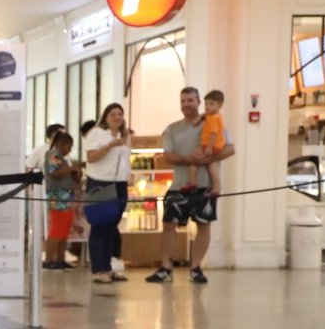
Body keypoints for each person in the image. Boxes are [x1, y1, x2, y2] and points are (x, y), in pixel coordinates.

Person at [146, 86, 236, 285]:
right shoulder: (172, 128)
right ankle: (166, 268)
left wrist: (207, 158)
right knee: (169, 224)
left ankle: (196, 267)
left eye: (190, 100)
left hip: (206, 186)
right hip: (179, 185)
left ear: (198, 102)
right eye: (183, 101)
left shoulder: (214, 121)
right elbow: (167, 155)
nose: (186, 104)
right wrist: (188, 159)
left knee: (203, 225)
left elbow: (230, 149)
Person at [81, 103, 132, 284]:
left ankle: (108, 268)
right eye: (113, 114)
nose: (117, 117)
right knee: (99, 226)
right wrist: (110, 145)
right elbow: (91, 157)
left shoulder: (124, 136)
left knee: (111, 227)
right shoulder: (97, 133)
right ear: (105, 116)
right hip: (101, 183)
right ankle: (97, 269)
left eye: (120, 114)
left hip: (120, 184)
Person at [43, 130, 79, 269]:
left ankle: (60, 259)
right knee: (56, 230)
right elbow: (55, 173)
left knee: (64, 230)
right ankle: (49, 260)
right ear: (61, 144)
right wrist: (70, 169)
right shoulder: (53, 155)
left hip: (65, 198)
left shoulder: (61, 158)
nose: (69, 150)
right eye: (68, 146)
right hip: (58, 198)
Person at [198, 89, 227, 199]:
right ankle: (216, 187)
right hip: (211, 145)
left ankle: (217, 188)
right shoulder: (212, 116)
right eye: (206, 103)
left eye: (211, 104)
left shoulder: (214, 118)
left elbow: (213, 134)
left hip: (213, 146)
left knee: (211, 165)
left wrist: (209, 147)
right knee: (209, 164)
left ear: (219, 105)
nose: (207, 107)